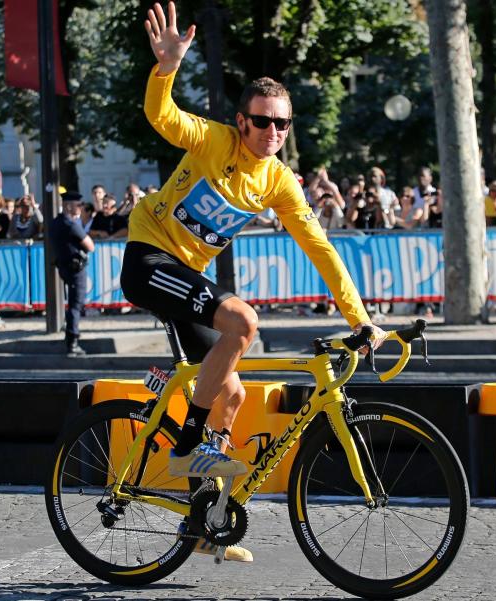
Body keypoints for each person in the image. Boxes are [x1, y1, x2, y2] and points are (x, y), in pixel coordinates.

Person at [122, 1, 384, 562]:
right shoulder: (213, 140)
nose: (272, 131)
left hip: (186, 275)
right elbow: (162, 117)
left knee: (233, 392)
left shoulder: (281, 183)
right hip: (148, 260)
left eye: (282, 123)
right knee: (243, 320)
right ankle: (188, 442)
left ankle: (199, 525)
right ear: (242, 121)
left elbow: (321, 248)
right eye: (262, 120)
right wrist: (166, 67)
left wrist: (359, 319)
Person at [51, 191, 94, 356]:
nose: (81, 208)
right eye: (78, 205)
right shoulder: (71, 224)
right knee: (76, 305)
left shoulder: (55, 222)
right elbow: (90, 246)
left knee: (73, 305)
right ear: (68, 206)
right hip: (76, 269)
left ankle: (70, 338)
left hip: (63, 266)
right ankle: (72, 342)